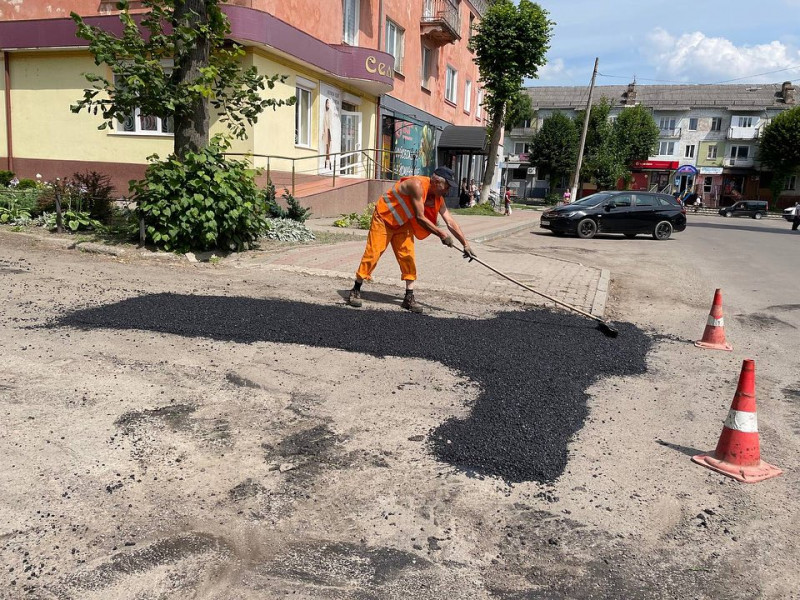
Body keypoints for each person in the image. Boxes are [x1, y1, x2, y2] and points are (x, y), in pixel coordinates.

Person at [348, 167, 476, 313]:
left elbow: (450, 221)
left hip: (403, 223)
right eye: (446, 186)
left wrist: (465, 244)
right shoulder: (416, 185)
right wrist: (441, 234)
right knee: (373, 254)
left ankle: (408, 298)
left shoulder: (437, 199)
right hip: (383, 218)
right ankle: (356, 289)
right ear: (436, 181)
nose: (447, 191)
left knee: (408, 257)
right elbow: (420, 218)